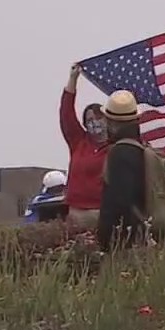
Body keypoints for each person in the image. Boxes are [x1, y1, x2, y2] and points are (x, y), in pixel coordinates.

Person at [97, 90, 148, 252]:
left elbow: (120, 201)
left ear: (111, 122)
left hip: (125, 242)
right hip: (141, 234)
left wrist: (106, 238)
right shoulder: (140, 148)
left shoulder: (120, 153)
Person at [60, 63, 108, 228]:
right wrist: (73, 79)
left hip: (104, 213)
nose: (95, 122)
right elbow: (66, 113)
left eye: (99, 117)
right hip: (76, 213)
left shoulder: (117, 146)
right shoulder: (78, 142)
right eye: (89, 120)